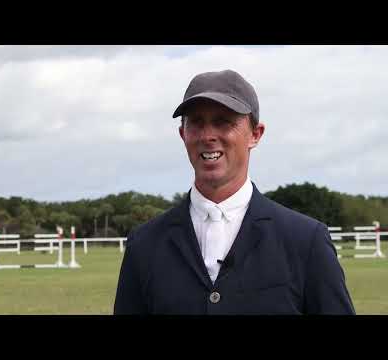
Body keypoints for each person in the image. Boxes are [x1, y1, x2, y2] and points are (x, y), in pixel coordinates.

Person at [114, 69, 355, 315]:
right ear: (182, 134)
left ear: (255, 134)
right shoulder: (143, 245)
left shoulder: (306, 241)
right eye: (196, 122)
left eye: (223, 122)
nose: (208, 136)